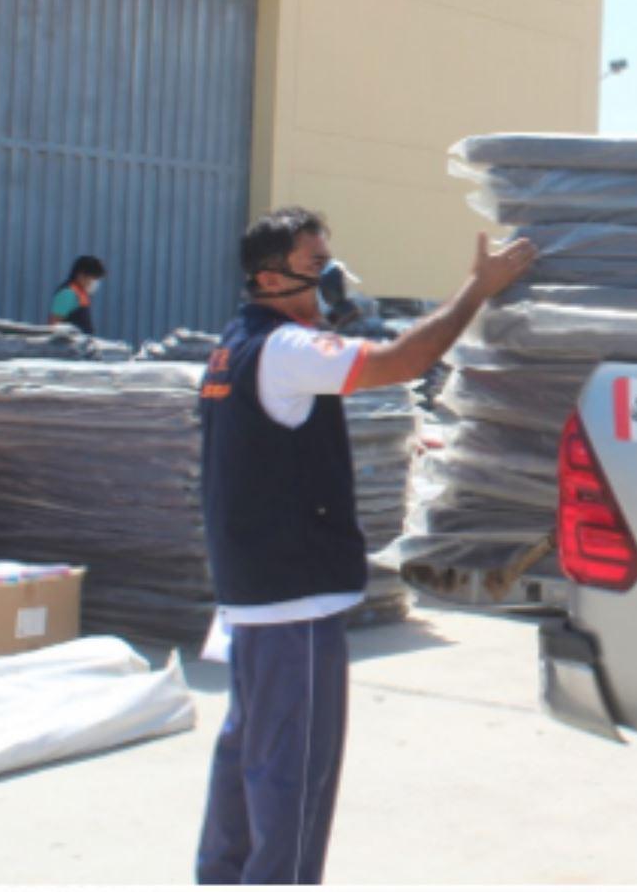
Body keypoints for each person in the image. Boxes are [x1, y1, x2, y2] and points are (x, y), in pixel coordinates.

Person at [195, 207, 535, 885]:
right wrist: (478, 288)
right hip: (294, 604)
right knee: (293, 783)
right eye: (315, 268)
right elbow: (404, 361)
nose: (329, 281)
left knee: (246, 764)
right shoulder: (287, 352)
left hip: (253, 595)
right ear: (269, 276)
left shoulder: (234, 345)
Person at [49, 255, 105, 334]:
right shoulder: (67, 293)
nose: (95, 282)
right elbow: (54, 325)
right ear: (81, 275)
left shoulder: (81, 294)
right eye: (94, 278)